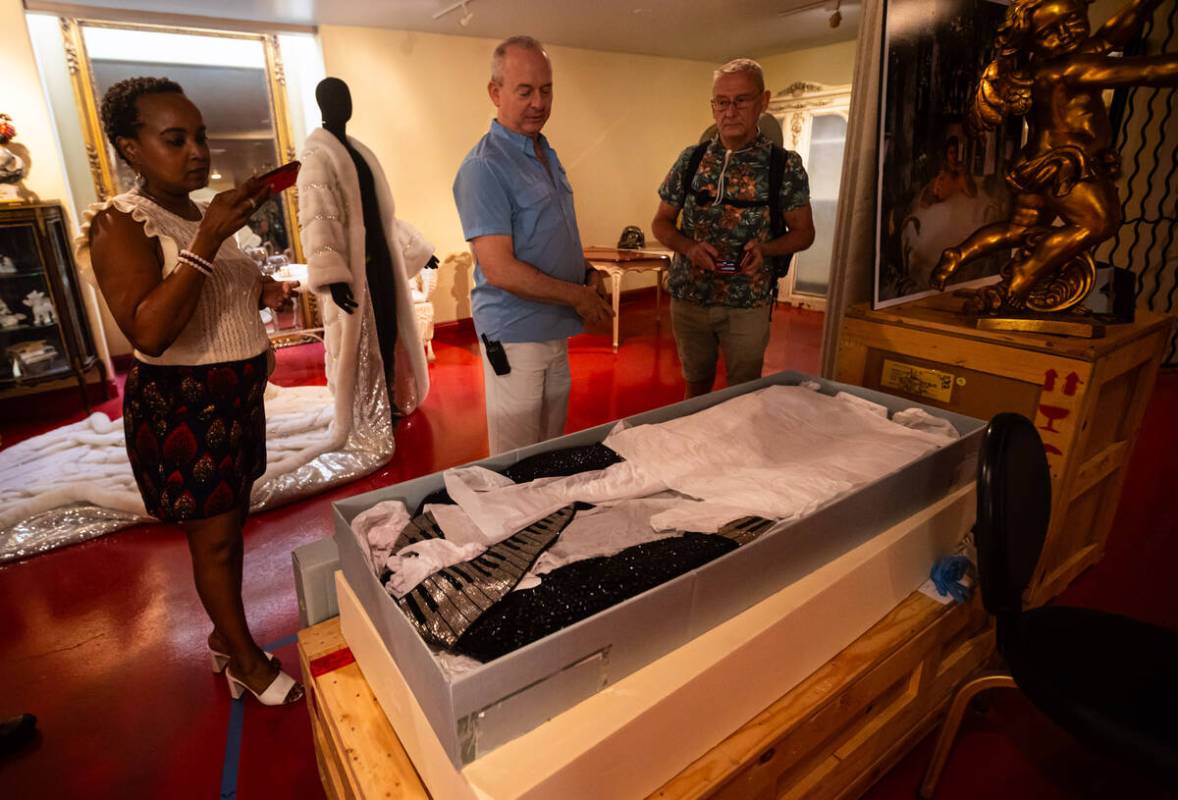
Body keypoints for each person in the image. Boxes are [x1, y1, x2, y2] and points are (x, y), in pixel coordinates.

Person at [84, 77, 302, 705]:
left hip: (236, 398)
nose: (197, 152)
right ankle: (246, 662)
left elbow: (210, 297)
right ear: (131, 148)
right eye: (175, 140)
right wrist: (206, 241)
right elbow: (150, 331)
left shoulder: (202, 213)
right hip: (184, 404)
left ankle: (221, 638)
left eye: (201, 137)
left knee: (230, 530)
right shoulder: (121, 222)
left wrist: (259, 289)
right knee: (216, 540)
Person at [453, 36, 612, 455]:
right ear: (495, 92)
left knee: (551, 447)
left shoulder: (544, 152)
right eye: (525, 91)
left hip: (555, 327)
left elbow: (554, 232)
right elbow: (500, 269)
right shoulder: (484, 167)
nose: (538, 103)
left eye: (546, 90)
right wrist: (577, 295)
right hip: (516, 334)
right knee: (516, 460)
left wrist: (586, 273)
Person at [652, 58, 814, 399]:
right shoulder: (691, 160)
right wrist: (689, 247)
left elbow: (804, 233)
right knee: (695, 386)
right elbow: (660, 223)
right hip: (690, 298)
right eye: (722, 102)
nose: (730, 112)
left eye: (741, 100)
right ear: (713, 106)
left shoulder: (784, 166)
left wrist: (766, 250)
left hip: (748, 302)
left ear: (763, 101)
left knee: (743, 394)